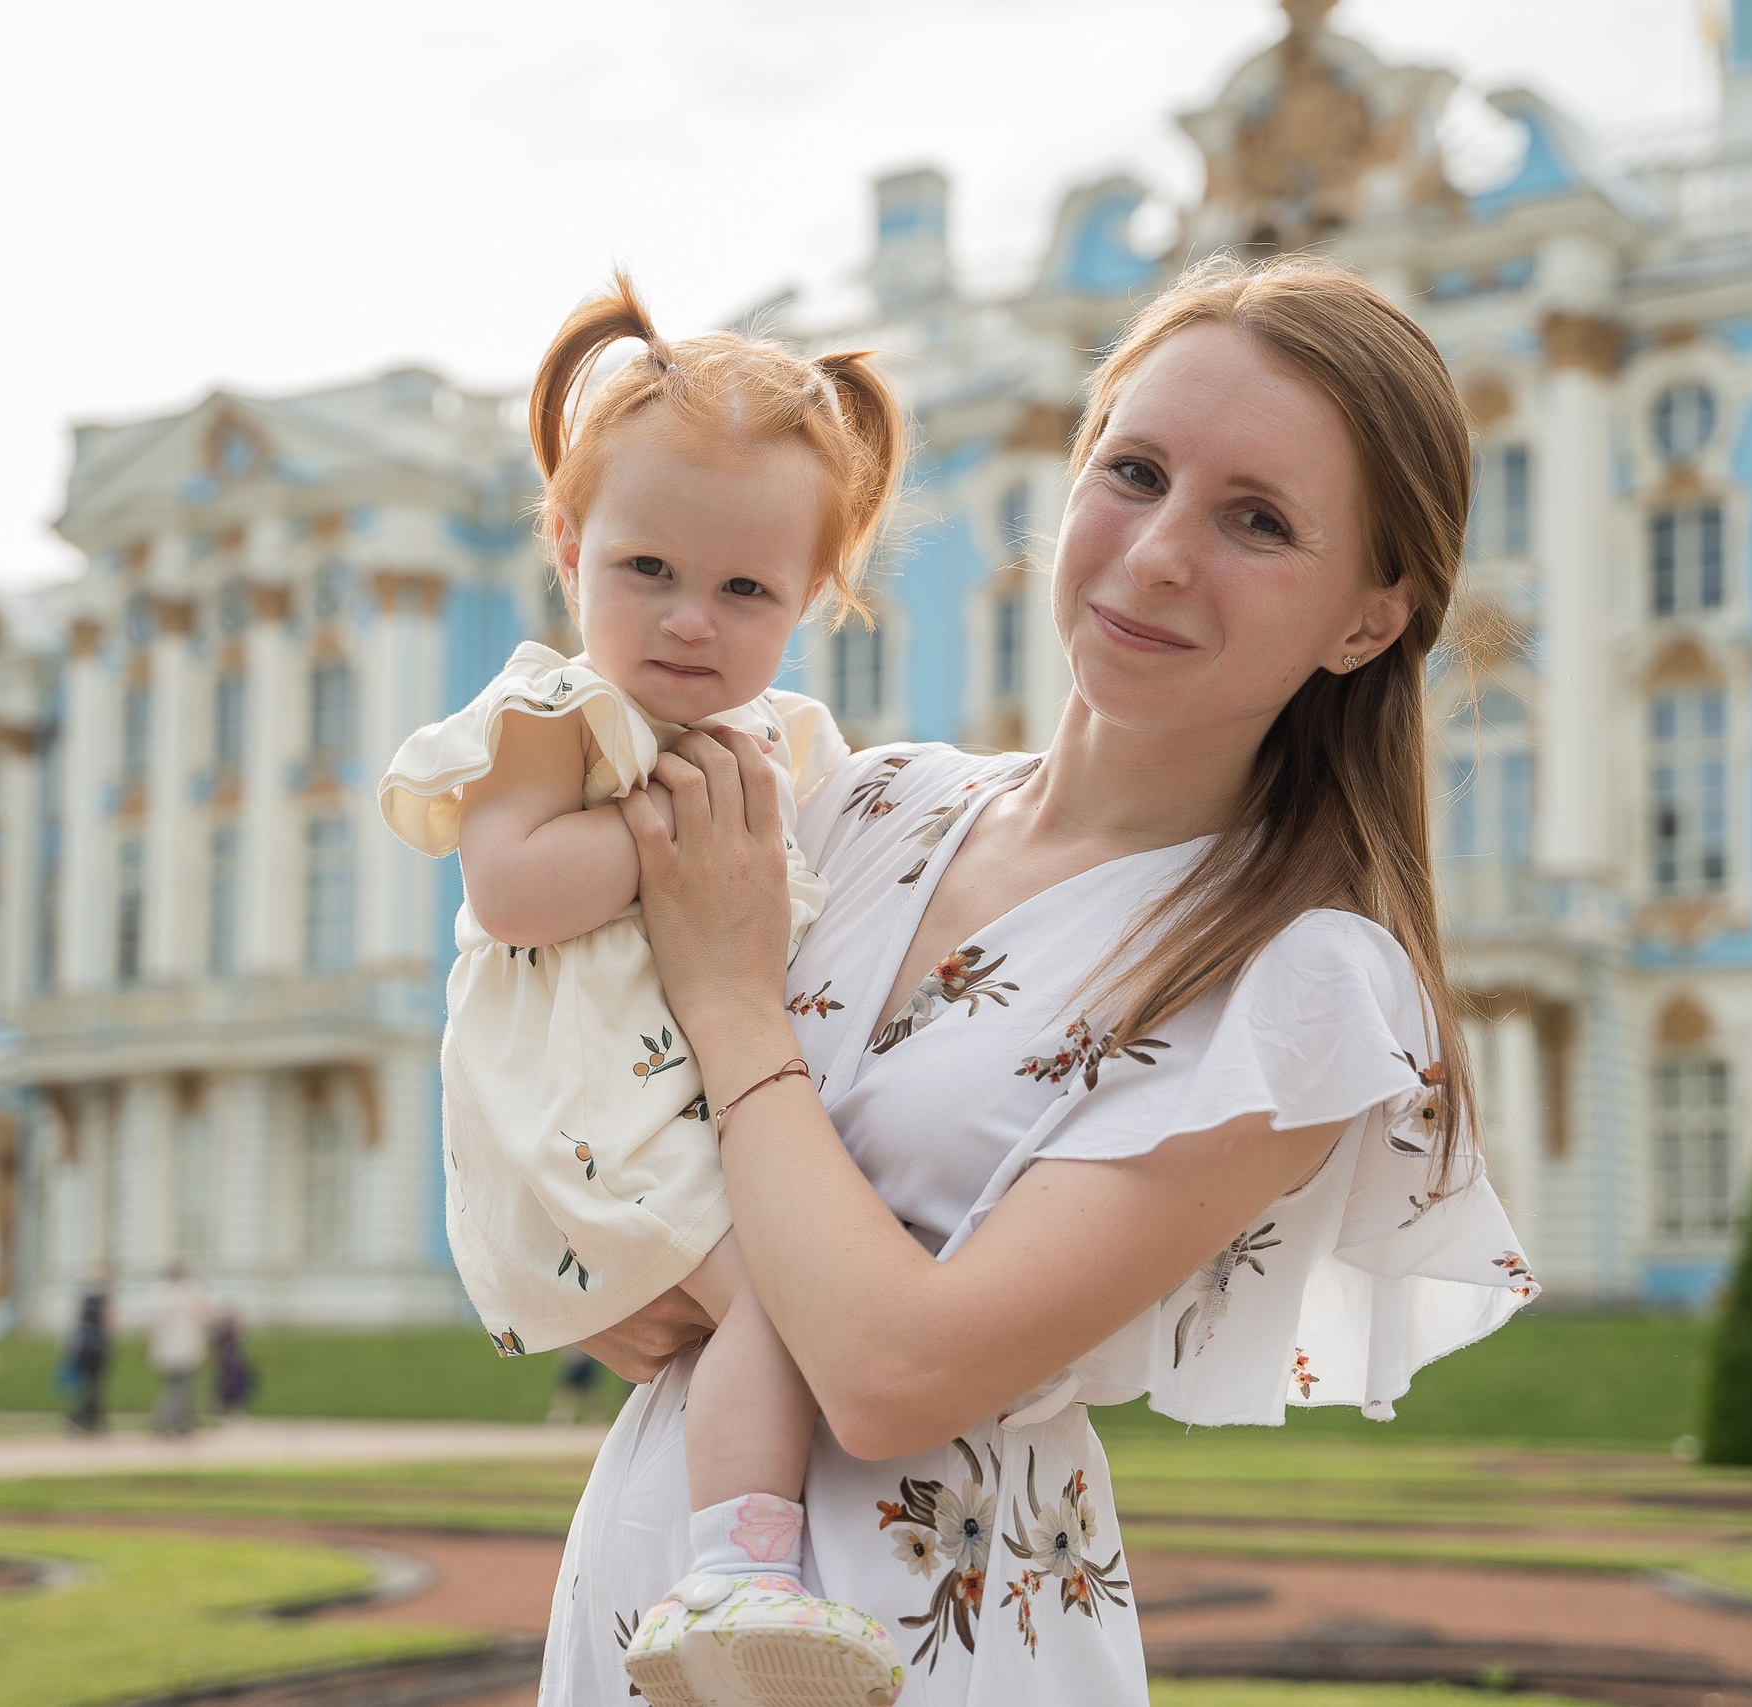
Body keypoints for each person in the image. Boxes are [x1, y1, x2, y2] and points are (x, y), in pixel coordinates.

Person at [545, 255, 1541, 1706]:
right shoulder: (863, 803)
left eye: (1257, 520)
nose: (1155, 554)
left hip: (929, 1646)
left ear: (1369, 617)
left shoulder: (1304, 983)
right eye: (1131, 471)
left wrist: (732, 1001)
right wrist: (578, 1265)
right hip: (639, 1593)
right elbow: (587, 1083)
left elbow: (895, 1373)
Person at [379, 274, 907, 1703]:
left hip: (690, 1095)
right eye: (647, 571)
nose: (690, 621)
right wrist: (672, 842)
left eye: (747, 590)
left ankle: (731, 1558)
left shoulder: (786, 742)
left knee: (782, 1296)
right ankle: (734, 1569)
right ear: (566, 545)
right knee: (780, 1308)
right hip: (589, 1106)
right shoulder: (556, 717)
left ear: (813, 600)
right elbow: (510, 886)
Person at [147, 1265, 210, 1438]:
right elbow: (202, 1316)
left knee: (176, 1385)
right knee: (179, 1386)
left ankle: (179, 1419)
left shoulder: (162, 1294)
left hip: (172, 1347)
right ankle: (170, 1419)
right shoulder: (188, 1293)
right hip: (181, 1347)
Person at [63, 1275, 112, 1435]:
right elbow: (108, 1322)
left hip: (84, 1348)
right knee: (94, 1386)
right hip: (98, 1348)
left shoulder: (85, 1300)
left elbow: (77, 1325)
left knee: (89, 1386)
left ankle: (94, 1421)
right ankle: (80, 1418)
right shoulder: (104, 1300)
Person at [209, 1310, 255, 1416]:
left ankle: (233, 1405)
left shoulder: (235, 1336)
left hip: (235, 1365)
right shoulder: (223, 1335)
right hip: (227, 1364)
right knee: (225, 1383)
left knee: (237, 1384)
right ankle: (224, 1405)